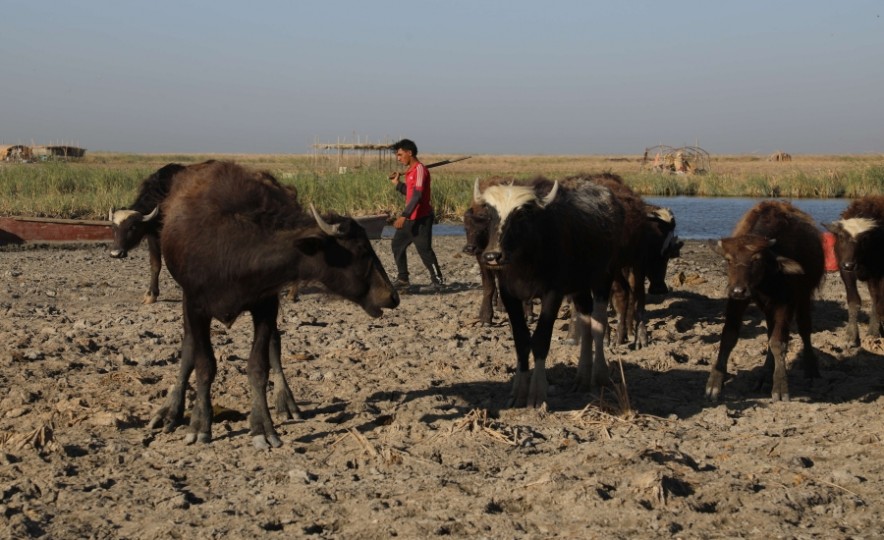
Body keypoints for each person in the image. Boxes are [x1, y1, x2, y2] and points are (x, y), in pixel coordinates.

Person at [388, 138, 444, 291]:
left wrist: (403, 215)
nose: (398, 159)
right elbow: (410, 193)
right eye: (397, 156)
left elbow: (418, 196)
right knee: (397, 245)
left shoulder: (420, 170)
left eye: (400, 155)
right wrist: (397, 184)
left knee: (424, 250)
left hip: (421, 219)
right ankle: (403, 279)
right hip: (410, 218)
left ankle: (438, 282)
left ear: (409, 153)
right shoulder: (411, 172)